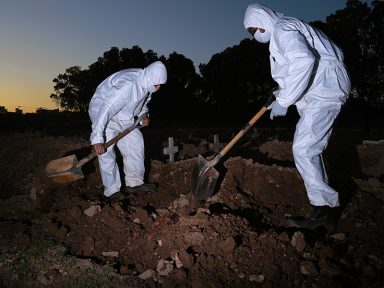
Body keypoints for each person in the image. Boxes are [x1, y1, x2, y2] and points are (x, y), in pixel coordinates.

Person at [244, 3, 351, 231]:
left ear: (263, 20)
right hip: (319, 90)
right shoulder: (284, 29)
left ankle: (324, 212)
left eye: (255, 30)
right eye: (252, 33)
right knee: (311, 148)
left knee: (303, 149)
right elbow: (294, 68)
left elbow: (304, 61)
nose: (256, 36)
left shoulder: (283, 29)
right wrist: (280, 93)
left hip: (325, 89)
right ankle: (324, 208)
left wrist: (284, 101)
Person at [88, 61, 167, 203]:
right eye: (157, 84)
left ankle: (135, 182)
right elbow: (107, 108)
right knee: (106, 152)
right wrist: (98, 138)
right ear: (150, 78)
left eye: (160, 84)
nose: (159, 87)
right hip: (104, 114)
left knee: (135, 143)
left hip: (124, 115)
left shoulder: (147, 83)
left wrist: (144, 115)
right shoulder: (128, 86)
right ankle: (111, 190)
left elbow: (141, 102)